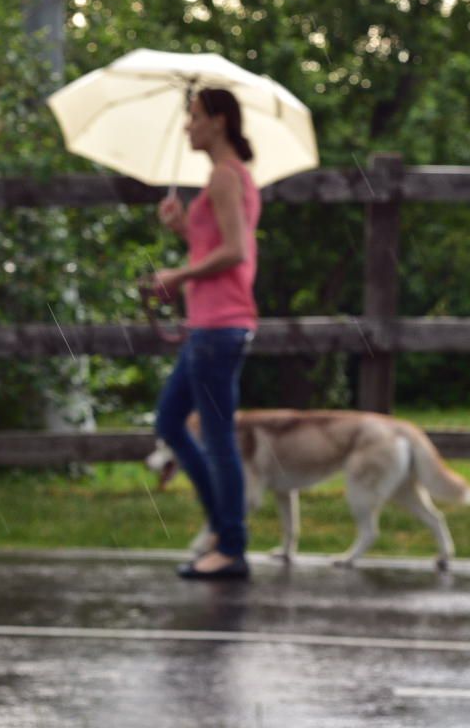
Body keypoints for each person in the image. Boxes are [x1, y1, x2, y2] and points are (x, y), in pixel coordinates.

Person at [148, 87, 262, 580]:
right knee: (171, 422)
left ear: (218, 121)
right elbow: (214, 245)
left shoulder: (222, 176)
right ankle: (221, 528)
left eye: (194, 117)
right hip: (211, 326)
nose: (188, 127)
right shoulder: (231, 176)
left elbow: (236, 252)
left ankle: (231, 545)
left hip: (220, 326)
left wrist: (176, 276)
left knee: (217, 439)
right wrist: (181, 228)